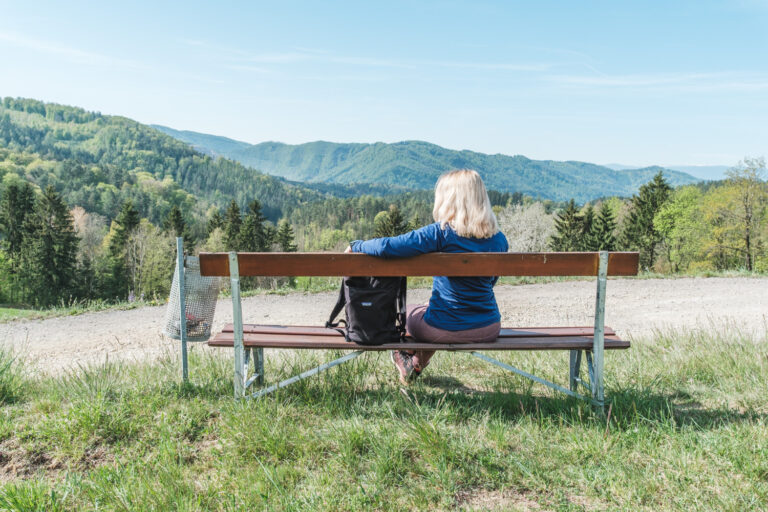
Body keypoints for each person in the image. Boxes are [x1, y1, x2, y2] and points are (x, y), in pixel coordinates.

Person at [345, 169, 508, 384]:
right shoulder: (499, 239)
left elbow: (389, 247)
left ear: (448, 199)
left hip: (444, 329)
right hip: (489, 327)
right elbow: (490, 282)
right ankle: (414, 364)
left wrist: (357, 245)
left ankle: (404, 356)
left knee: (412, 312)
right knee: (433, 310)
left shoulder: (441, 233)